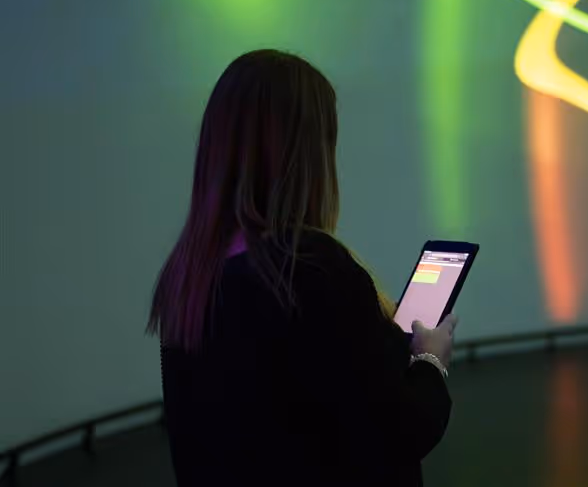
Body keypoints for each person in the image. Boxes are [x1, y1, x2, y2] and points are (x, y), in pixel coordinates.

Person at [148, 49, 458, 487]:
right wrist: (430, 358)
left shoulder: (189, 273)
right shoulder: (309, 271)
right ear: (308, 154)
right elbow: (400, 431)